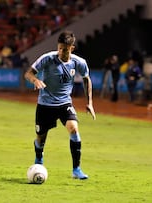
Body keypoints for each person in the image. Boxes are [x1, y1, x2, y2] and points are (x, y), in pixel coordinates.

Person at [24, 30, 96, 180]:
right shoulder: (47, 59)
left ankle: (76, 170)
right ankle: (39, 159)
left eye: (65, 49)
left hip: (64, 103)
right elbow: (29, 73)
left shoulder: (78, 62)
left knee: (74, 129)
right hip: (45, 104)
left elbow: (86, 79)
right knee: (40, 138)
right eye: (60, 48)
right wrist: (35, 80)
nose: (61, 52)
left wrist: (89, 102)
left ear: (72, 48)